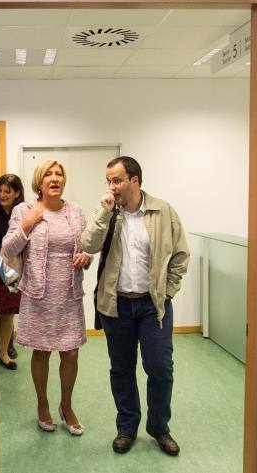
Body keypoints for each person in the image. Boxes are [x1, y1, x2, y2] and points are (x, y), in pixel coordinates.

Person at [81, 156, 189, 456]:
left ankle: (158, 426)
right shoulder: (107, 212)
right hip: (116, 306)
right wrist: (103, 214)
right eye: (108, 181)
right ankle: (127, 427)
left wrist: (166, 292)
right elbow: (88, 245)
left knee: (160, 368)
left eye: (117, 180)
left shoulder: (162, 211)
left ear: (135, 180)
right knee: (122, 369)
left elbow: (180, 255)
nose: (111, 187)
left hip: (153, 306)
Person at [1, 160, 92, 436]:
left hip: (68, 294)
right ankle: (42, 404)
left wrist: (86, 257)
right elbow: (8, 248)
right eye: (49, 175)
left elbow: (87, 247)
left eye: (59, 174)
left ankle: (66, 405)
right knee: (41, 352)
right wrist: (28, 224)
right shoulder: (24, 210)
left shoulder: (75, 212)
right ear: (39, 182)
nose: (55, 178)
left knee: (71, 352)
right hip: (39, 294)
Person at [0, 174, 25, 370]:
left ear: (17, 193)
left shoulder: (21, 213)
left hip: (11, 269)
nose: (2, 194)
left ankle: (3, 352)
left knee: (7, 314)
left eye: (7, 191)